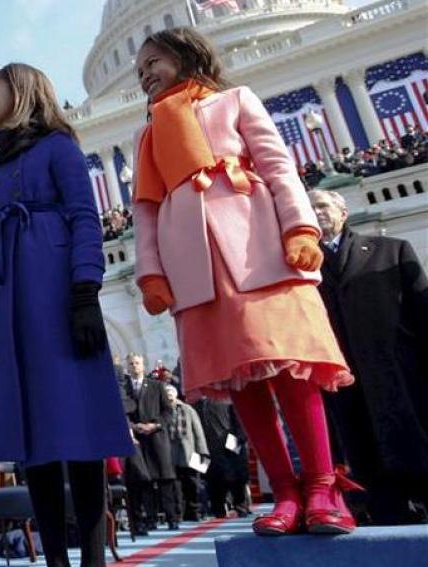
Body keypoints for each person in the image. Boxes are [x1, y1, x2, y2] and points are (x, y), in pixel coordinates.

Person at [132, 27, 356, 536]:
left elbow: (278, 165)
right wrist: (151, 273)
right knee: (244, 384)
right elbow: (145, 211)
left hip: (258, 251)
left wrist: (300, 227)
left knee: (292, 372)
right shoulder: (147, 136)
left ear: (186, 56)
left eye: (153, 61)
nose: (144, 73)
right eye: (139, 68)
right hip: (198, 272)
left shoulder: (235, 100)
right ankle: (285, 492)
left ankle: (322, 486)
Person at [0, 62, 133, 567]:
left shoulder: (60, 148)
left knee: (77, 426)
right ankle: (55, 558)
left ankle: (93, 557)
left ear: (20, 92)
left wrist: (85, 289)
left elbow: (85, 216)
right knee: (32, 434)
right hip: (11, 306)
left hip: (57, 299)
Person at [309, 189, 428, 524]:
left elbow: (422, 316)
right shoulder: (304, 272)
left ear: (342, 211)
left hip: (402, 382)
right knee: (373, 481)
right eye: (309, 208)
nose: (316, 213)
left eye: (322, 206)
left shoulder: (390, 251)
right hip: (347, 390)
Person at [120, 353, 179, 532]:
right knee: (141, 480)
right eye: (131, 363)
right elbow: (122, 413)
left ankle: (172, 518)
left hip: (157, 438)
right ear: (127, 367)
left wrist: (155, 424)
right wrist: (133, 426)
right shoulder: (124, 389)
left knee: (164, 479)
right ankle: (149, 519)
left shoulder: (157, 386)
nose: (134, 366)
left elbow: (169, 412)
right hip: (136, 440)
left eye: (137, 363)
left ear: (143, 365)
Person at [164, 384, 209, 522]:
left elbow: (198, 431)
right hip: (170, 453)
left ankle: (195, 511)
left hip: (189, 452)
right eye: (167, 394)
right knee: (175, 486)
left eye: (171, 393)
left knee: (193, 483)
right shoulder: (162, 410)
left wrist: (202, 451)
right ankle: (179, 513)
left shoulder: (187, 409)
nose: (169, 396)